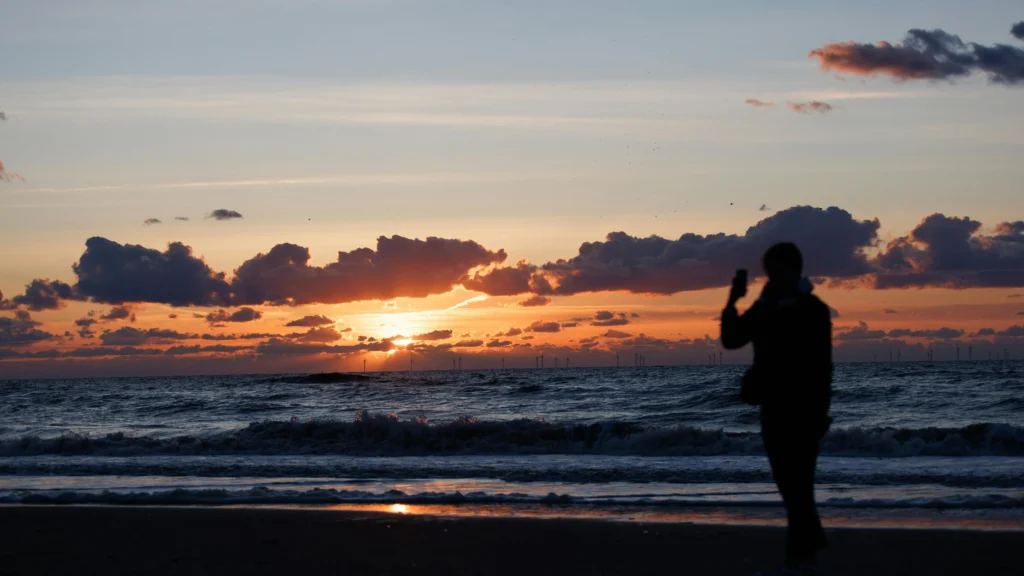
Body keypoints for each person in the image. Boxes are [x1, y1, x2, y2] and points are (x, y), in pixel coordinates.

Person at [720, 242, 833, 576]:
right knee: (791, 486)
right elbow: (732, 339)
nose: (771, 277)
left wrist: (821, 413)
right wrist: (733, 300)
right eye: (768, 271)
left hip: (802, 410)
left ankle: (801, 559)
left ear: (792, 271)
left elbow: (822, 368)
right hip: (773, 408)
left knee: (798, 486)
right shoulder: (765, 307)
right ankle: (804, 554)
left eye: (775, 271)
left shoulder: (812, 309)